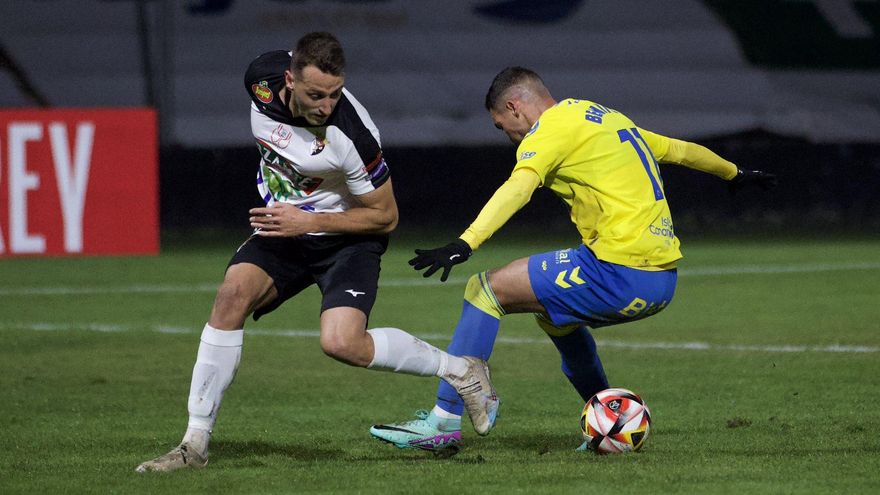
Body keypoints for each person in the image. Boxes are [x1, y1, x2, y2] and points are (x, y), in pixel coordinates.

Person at [136, 32, 498, 473]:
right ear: (288, 79)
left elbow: (385, 216)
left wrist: (310, 221)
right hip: (286, 228)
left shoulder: (353, 136)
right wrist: (295, 220)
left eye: (334, 94)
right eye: (314, 94)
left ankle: (461, 370)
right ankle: (194, 446)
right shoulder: (260, 81)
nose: (325, 104)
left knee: (341, 342)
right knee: (230, 297)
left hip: (347, 236)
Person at [369, 66, 777, 455]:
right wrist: (733, 173)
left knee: (484, 290)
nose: (508, 135)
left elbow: (519, 187)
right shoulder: (602, 117)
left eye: (501, 125)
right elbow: (676, 150)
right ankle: (608, 418)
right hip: (661, 281)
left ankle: (442, 424)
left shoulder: (547, 132)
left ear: (515, 107)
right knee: (552, 316)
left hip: (618, 272)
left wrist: (466, 242)